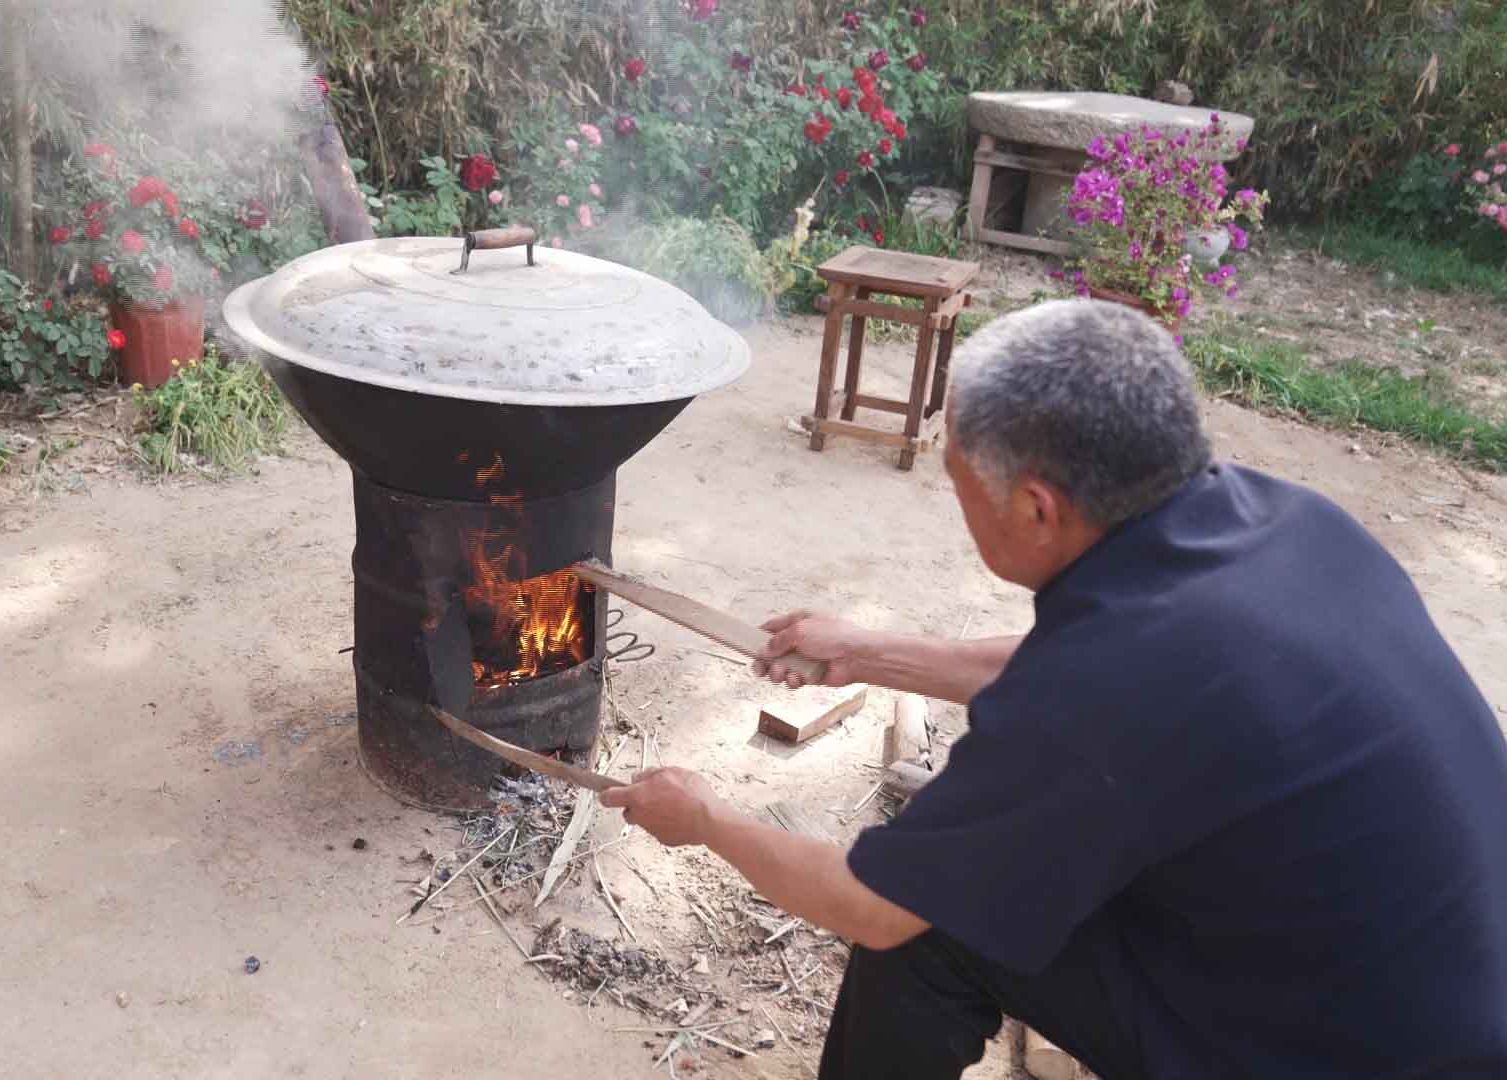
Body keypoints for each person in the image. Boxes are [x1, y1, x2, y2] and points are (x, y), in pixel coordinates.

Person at [600, 300, 1507, 1079]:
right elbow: (1098, 667)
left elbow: (868, 907)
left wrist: (705, 820)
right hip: (1434, 988)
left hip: (1337, 1053)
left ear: (1034, 506)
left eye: (957, 478)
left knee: (928, 929)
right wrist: (873, 654)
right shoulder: (1286, 522)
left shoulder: (1104, 691)